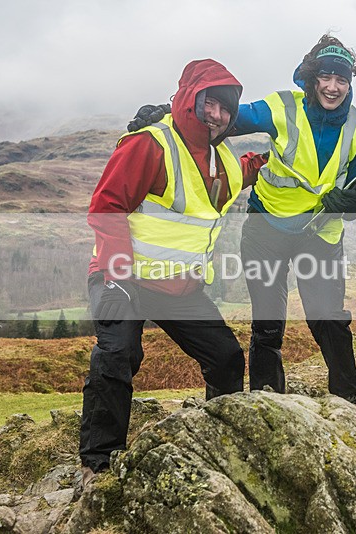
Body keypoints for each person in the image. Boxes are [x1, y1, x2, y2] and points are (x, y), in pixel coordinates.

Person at [80, 59, 265, 484]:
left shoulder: (221, 159)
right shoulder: (150, 144)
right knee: (117, 355)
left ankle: (218, 444)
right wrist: (117, 274)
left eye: (225, 108)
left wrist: (268, 161)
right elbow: (107, 207)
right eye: (208, 103)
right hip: (122, 278)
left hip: (177, 289)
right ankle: (97, 464)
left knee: (226, 357)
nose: (216, 115)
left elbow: (240, 174)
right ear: (187, 99)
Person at [230, 34, 356, 401]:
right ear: (311, 77)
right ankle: (267, 401)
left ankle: (347, 399)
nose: (333, 87)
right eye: (326, 76)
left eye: (342, 79)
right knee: (267, 324)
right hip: (266, 230)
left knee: (328, 319)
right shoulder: (283, 106)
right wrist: (172, 111)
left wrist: (348, 203)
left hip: (319, 235)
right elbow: (225, 117)